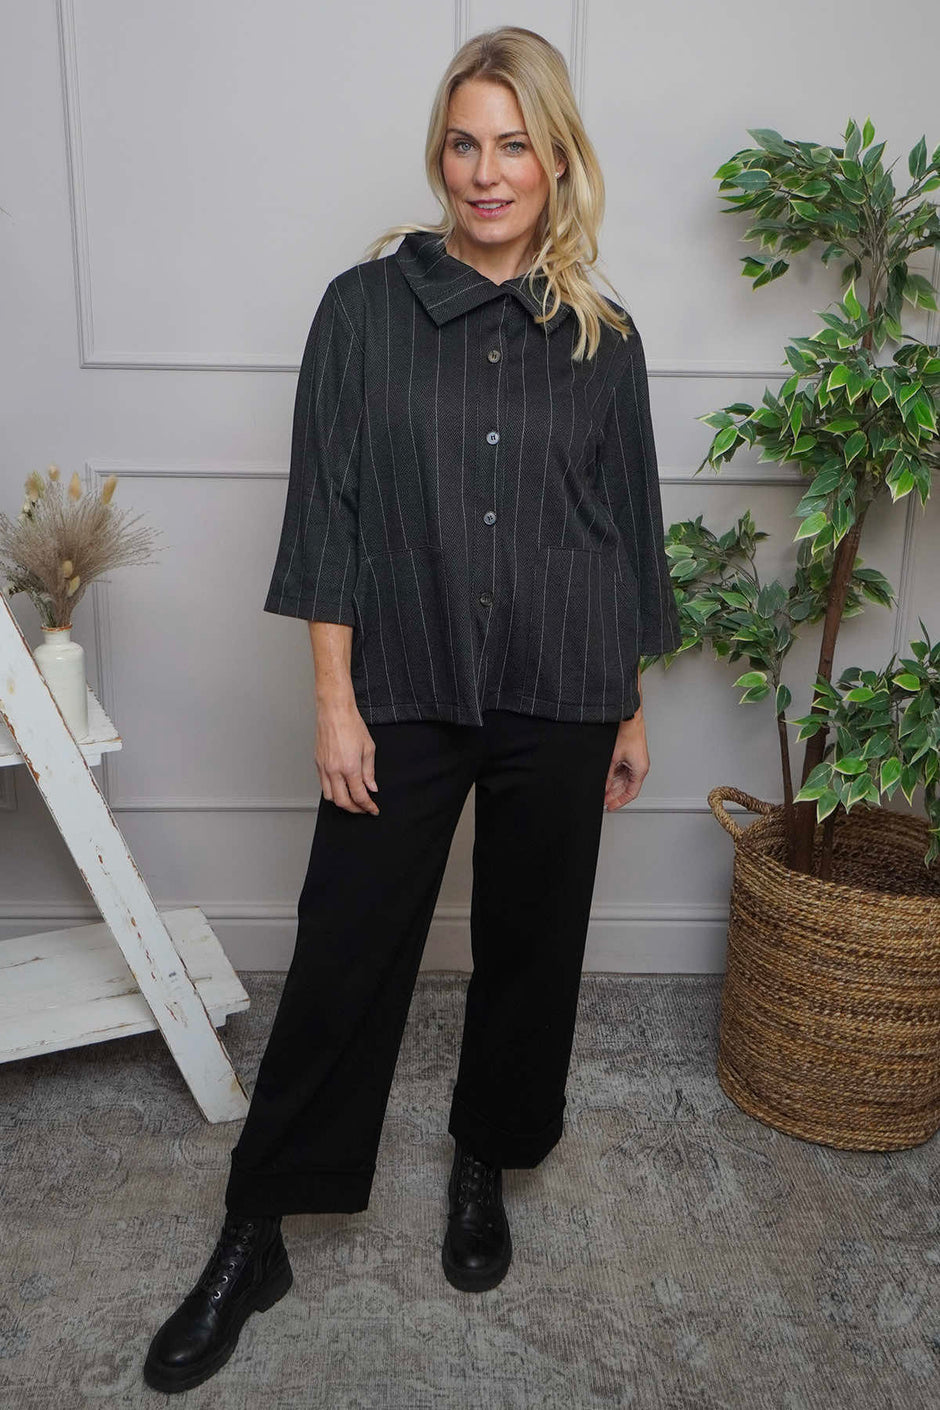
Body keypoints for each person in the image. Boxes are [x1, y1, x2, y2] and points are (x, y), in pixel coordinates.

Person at [143, 24, 681, 1395]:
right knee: (345, 949)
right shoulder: (362, 311)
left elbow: (626, 527)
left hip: (564, 681)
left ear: (557, 161)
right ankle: (258, 1227)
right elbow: (327, 513)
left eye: (515, 145)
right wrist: (336, 701)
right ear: (439, 156)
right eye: (464, 144)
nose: (487, 173)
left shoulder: (604, 336)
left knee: (532, 942)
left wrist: (625, 704)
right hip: (407, 682)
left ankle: (483, 1159)